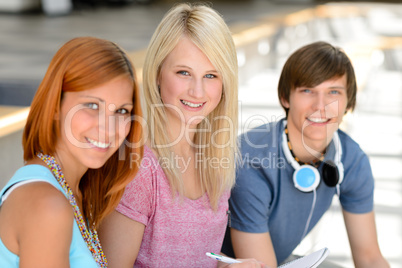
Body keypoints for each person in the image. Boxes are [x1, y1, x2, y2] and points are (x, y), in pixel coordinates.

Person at [98, 3, 265, 268]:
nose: (197, 92)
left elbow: (197, 258)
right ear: (157, 74)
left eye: (211, 75)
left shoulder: (216, 160)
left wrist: (228, 266)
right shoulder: (139, 169)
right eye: (184, 72)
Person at [221, 41, 390, 268]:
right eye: (307, 91)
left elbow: (369, 257)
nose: (320, 106)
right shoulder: (251, 161)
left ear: (347, 101)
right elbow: (260, 266)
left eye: (333, 92)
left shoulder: (351, 159)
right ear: (285, 98)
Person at [0, 36, 143, 268]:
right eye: (92, 105)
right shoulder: (47, 204)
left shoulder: (74, 192)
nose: (108, 128)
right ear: (55, 105)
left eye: (122, 111)